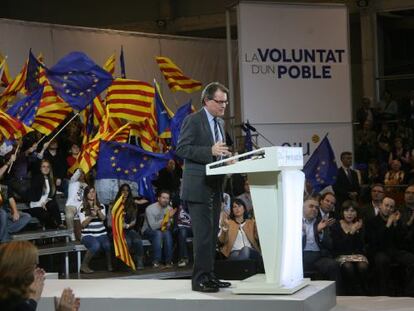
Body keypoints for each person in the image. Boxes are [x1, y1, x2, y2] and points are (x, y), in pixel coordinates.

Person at [176, 82, 232, 292]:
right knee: (203, 235)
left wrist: (226, 159)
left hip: (215, 185)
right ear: (207, 101)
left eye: (225, 102)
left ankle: (210, 275)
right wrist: (210, 150)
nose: (224, 106)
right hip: (198, 186)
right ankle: (199, 279)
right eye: (220, 102)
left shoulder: (219, 123)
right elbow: (182, 148)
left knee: (212, 233)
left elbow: (217, 152)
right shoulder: (193, 120)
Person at [0, 241, 80, 311]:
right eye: (34, 265)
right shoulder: (17, 305)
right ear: (23, 270)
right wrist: (32, 299)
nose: (35, 273)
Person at [365, 197, 414, 295]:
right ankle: (384, 293)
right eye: (386, 205)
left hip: (394, 251)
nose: (389, 208)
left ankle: (409, 293)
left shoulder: (396, 221)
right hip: (379, 251)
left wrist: (395, 224)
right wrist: (388, 224)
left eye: (391, 207)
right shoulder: (371, 221)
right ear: (380, 206)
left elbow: (401, 242)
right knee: (382, 260)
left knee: (412, 259)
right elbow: (376, 242)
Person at [302, 198, 342, 293]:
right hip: (300, 257)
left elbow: (329, 245)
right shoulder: (294, 222)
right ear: (303, 208)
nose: (314, 209)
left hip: (318, 256)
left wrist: (320, 232)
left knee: (333, 265)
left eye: (316, 207)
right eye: (311, 206)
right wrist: (302, 233)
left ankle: (338, 295)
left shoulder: (322, 222)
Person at [330, 200, 368, 295]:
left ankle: (363, 291)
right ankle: (351, 292)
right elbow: (340, 246)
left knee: (363, 266)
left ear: (356, 213)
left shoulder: (360, 224)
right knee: (348, 266)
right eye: (346, 211)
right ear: (342, 212)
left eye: (352, 211)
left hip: (357, 254)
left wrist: (357, 231)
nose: (349, 214)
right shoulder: (336, 225)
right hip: (341, 254)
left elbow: (361, 245)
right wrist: (351, 232)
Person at [108, 184, 144, 270]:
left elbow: (134, 221)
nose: (125, 192)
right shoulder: (113, 204)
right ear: (120, 192)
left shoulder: (133, 204)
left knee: (137, 240)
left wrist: (127, 225)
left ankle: (139, 261)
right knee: (126, 241)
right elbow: (109, 223)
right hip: (116, 230)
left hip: (128, 228)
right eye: (123, 190)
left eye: (127, 190)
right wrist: (119, 225)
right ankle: (123, 264)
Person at [218, 199, 262, 267]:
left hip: (251, 251)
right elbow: (222, 240)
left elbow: (257, 237)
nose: (237, 208)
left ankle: (237, 268)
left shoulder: (251, 222)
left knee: (245, 249)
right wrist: (225, 228)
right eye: (234, 207)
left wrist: (256, 223)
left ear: (244, 208)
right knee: (238, 254)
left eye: (239, 206)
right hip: (234, 252)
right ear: (232, 210)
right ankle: (242, 268)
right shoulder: (228, 223)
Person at [78, 186, 112, 273]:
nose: (92, 194)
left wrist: (98, 211)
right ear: (86, 195)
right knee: (95, 245)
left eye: (93, 192)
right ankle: (84, 266)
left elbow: (103, 219)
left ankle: (109, 264)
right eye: (89, 192)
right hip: (87, 235)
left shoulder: (101, 206)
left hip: (101, 233)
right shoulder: (82, 207)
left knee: (107, 245)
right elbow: (83, 225)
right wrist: (91, 216)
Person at [141, 190, 175, 268]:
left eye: (167, 198)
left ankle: (168, 261)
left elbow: (169, 225)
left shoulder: (169, 209)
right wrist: (166, 218)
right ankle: (156, 261)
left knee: (167, 233)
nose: (165, 200)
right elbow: (153, 226)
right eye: (163, 198)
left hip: (162, 230)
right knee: (158, 233)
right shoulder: (150, 208)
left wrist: (169, 221)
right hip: (148, 230)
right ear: (158, 198)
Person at [26, 159, 63, 229]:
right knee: (45, 215)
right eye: (43, 166)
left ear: (50, 169)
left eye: (48, 167)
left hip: (45, 205)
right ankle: (55, 227)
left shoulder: (51, 180)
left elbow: (52, 196)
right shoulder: (37, 178)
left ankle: (60, 224)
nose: (46, 168)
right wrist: (41, 203)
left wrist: (45, 202)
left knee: (53, 204)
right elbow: (33, 193)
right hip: (35, 206)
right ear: (40, 168)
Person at [64, 168, 87, 241]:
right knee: (69, 216)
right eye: (79, 173)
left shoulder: (86, 185)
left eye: (83, 173)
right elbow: (75, 176)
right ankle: (71, 232)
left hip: (81, 207)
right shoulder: (72, 181)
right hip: (71, 206)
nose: (81, 175)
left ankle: (85, 236)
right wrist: (80, 169)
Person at [175, 200, 193, 268]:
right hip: (180, 228)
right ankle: (183, 258)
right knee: (182, 232)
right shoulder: (179, 205)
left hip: (192, 228)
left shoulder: (196, 207)